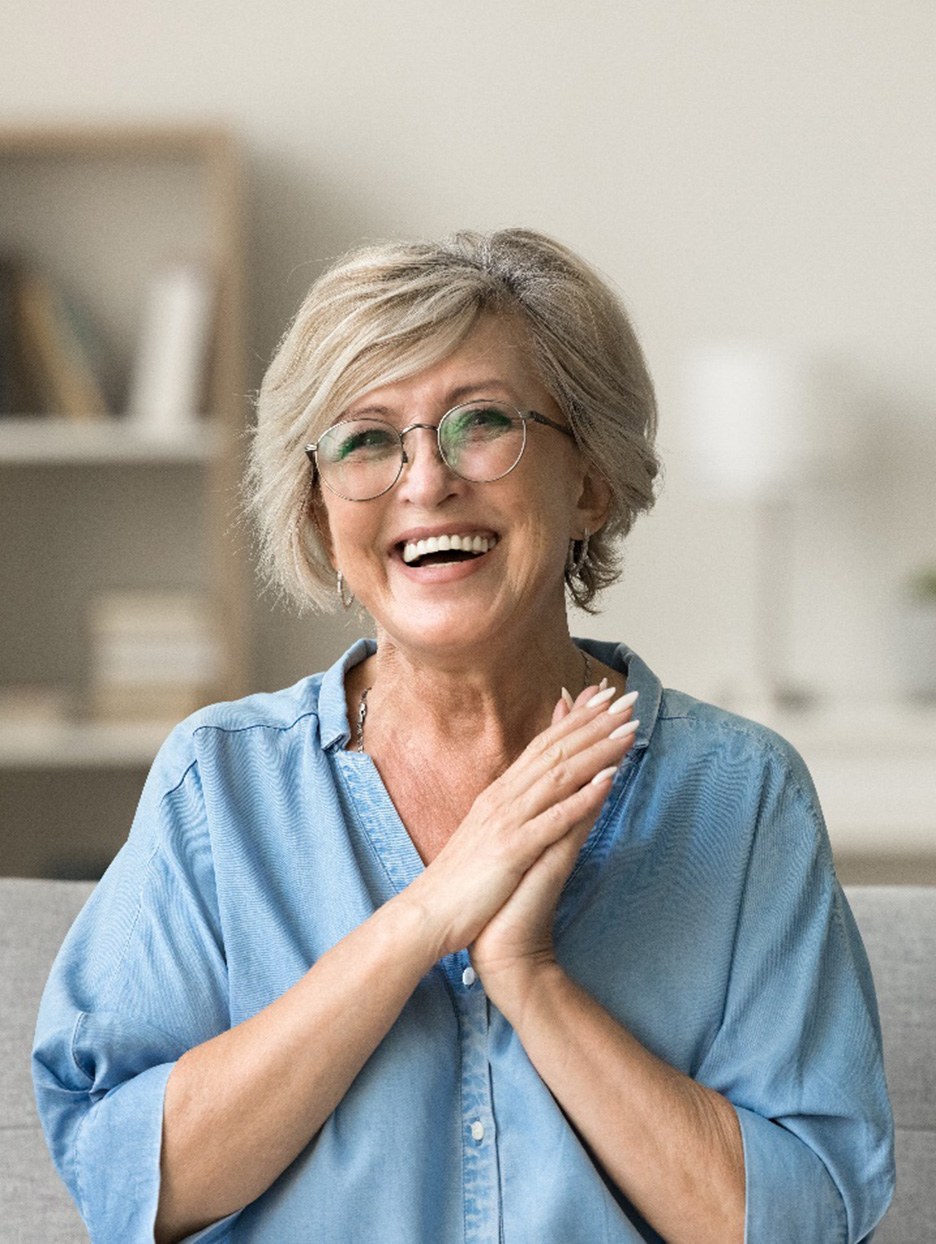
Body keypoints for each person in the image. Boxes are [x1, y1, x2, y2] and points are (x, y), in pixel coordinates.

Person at [33, 229, 894, 1244]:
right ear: (317, 510)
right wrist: (423, 918)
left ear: (590, 479)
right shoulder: (220, 782)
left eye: (480, 423)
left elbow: (806, 1220)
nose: (425, 481)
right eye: (366, 439)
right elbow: (129, 1180)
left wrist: (528, 975)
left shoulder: (741, 798)